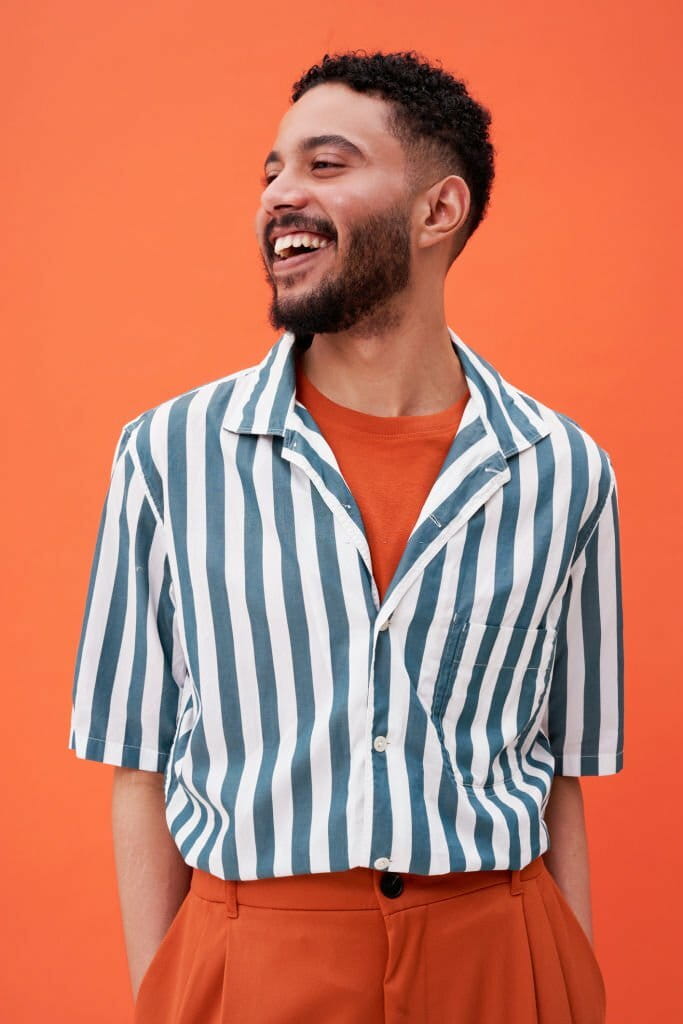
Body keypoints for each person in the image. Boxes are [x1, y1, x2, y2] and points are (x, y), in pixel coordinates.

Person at [68, 49, 624, 1023]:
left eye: (324, 166)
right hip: (251, 959)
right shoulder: (167, 453)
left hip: (497, 954)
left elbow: (559, 773)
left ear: (435, 211)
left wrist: (573, 991)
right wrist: (168, 991)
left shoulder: (563, 467)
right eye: (271, 171)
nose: (279, 195)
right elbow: (138, 762)